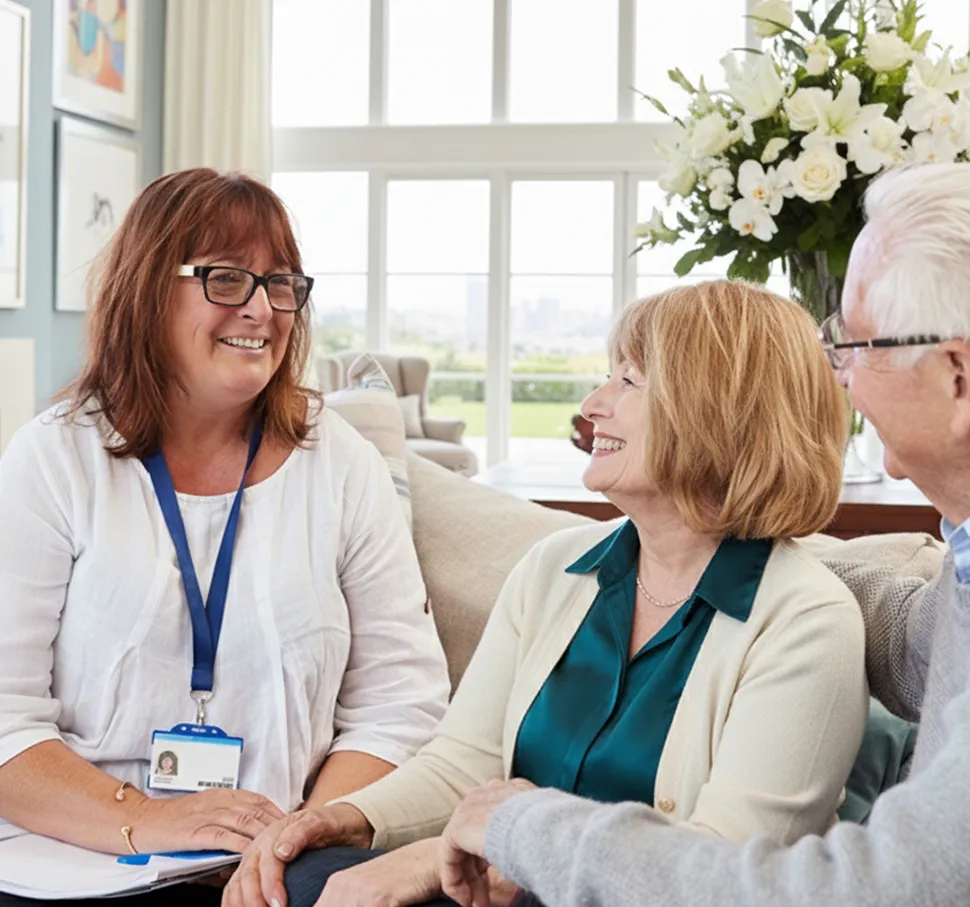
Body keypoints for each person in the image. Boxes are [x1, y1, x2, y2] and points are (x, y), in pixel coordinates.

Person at [222, 279, 869, 907]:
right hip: (499, 883)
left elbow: (717, 874)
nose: (592, 404)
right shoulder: (554, 569)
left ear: (717, 409)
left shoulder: (807, 620)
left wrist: (447, 858)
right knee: (300, 875)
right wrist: (340, 818)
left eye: (628, 381)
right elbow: (463, 764)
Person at [438, 162, 970, 907]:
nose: (840, 377)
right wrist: (721, 556)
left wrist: (519, 828)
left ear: (957, 377)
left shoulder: (809, 614)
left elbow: (874, 888)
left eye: (856, 345)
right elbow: (920, 643)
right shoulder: (957, 577)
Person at [0, 169, 450, 905]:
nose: (263, 309)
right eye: (228, 278)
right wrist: (148, 819)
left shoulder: (341, 463)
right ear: (148, 290)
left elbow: (401, 703)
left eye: (280, 283)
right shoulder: (53, 458)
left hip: (280, 864)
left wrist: (297, 835)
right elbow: (4, 719)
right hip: (83, 855)